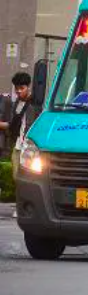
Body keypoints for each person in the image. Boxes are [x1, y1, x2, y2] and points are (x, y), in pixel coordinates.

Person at [0, 73, 42, 216]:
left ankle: (26, 207)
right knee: (17, 177)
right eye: (17, 88)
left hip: (30, 146)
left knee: (29, 178)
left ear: (28, 87)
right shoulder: (16, 103)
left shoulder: (36, 104)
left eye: (21, 88)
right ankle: (21, 205)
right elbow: (12, 125)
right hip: (18, 145)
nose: (18, 91)